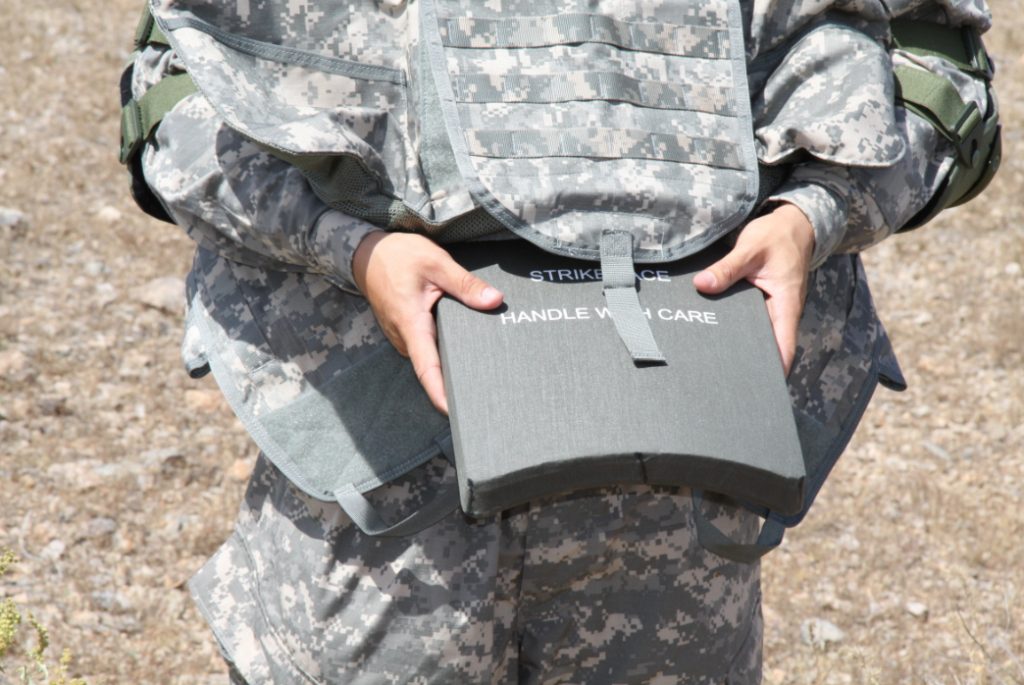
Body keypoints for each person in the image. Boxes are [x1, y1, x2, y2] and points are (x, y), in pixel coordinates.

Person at [126, 0, 996, 680]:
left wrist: (817, 213)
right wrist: (350, 247)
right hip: (384, 500)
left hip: (673, 496)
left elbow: (935, 69)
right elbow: (174, 92)